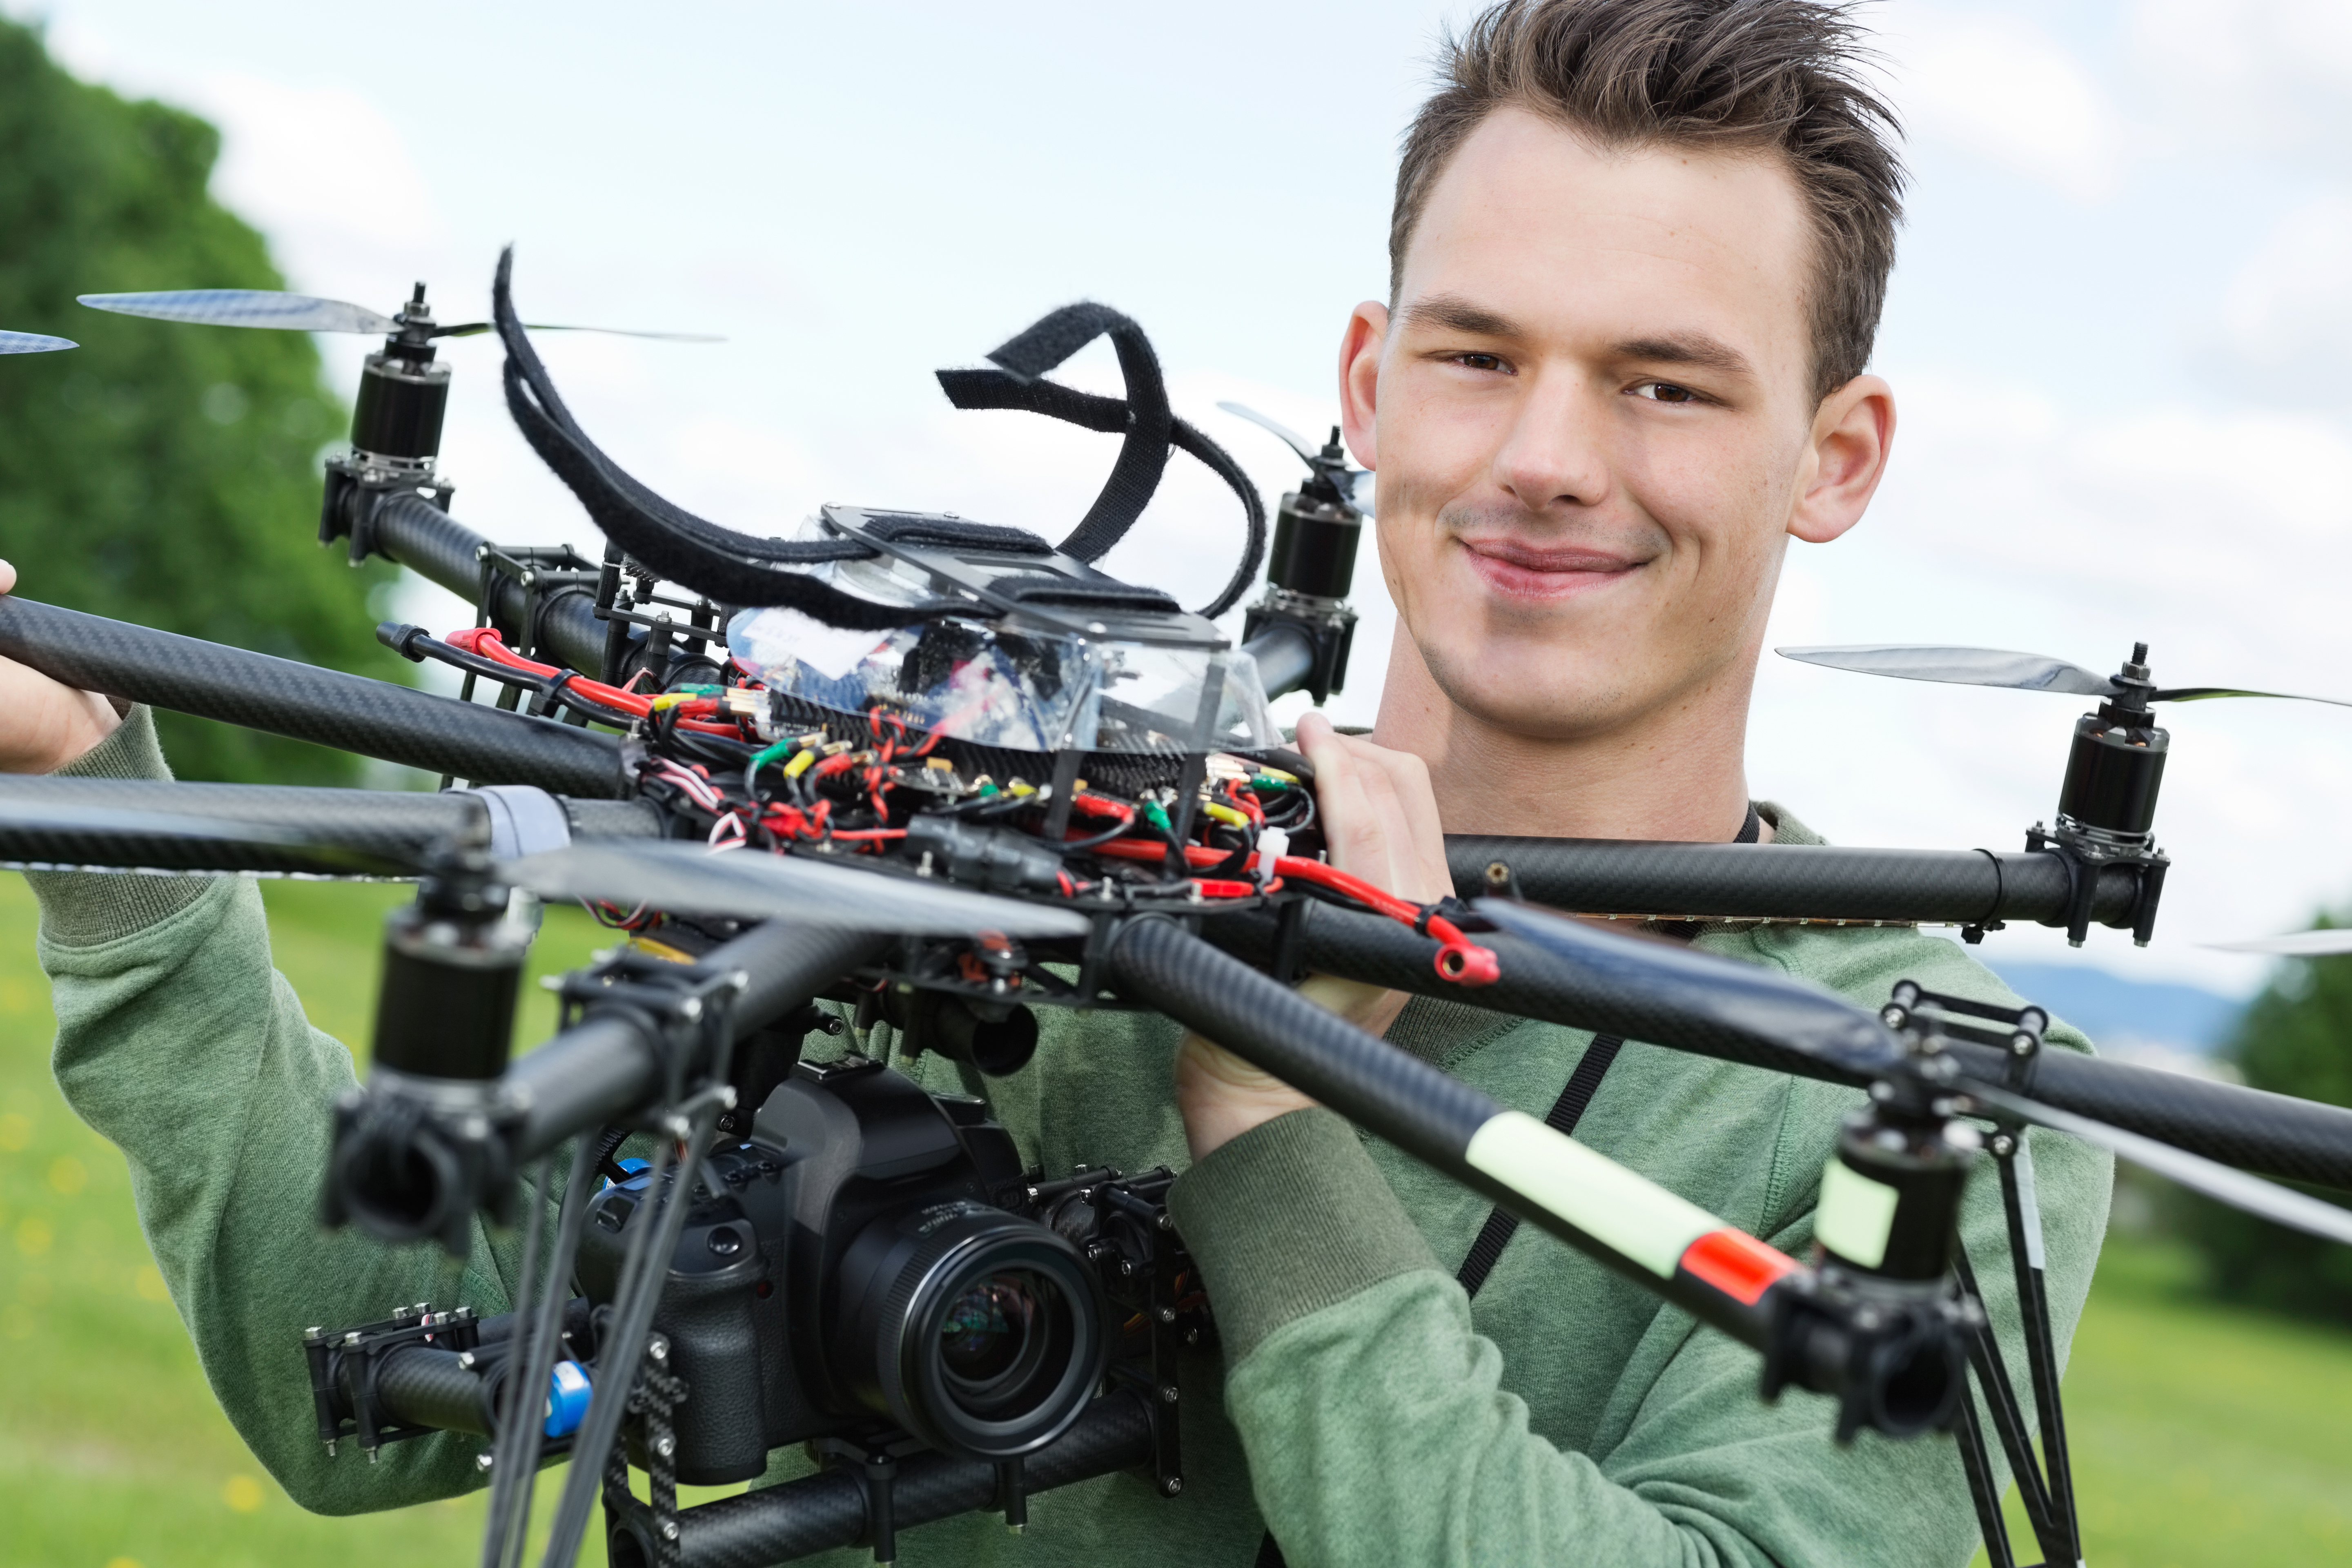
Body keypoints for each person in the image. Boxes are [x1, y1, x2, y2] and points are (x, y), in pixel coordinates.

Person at [3, 1, 2111, 1564]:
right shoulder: (1010, 845)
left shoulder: (1918, 1096)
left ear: (1833, 454)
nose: (1546, 455)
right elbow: (351, 1385)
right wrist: (106, 826)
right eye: (1481, 356)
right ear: (1373, 384)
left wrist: (1271, 1118)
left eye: (1664, 382)